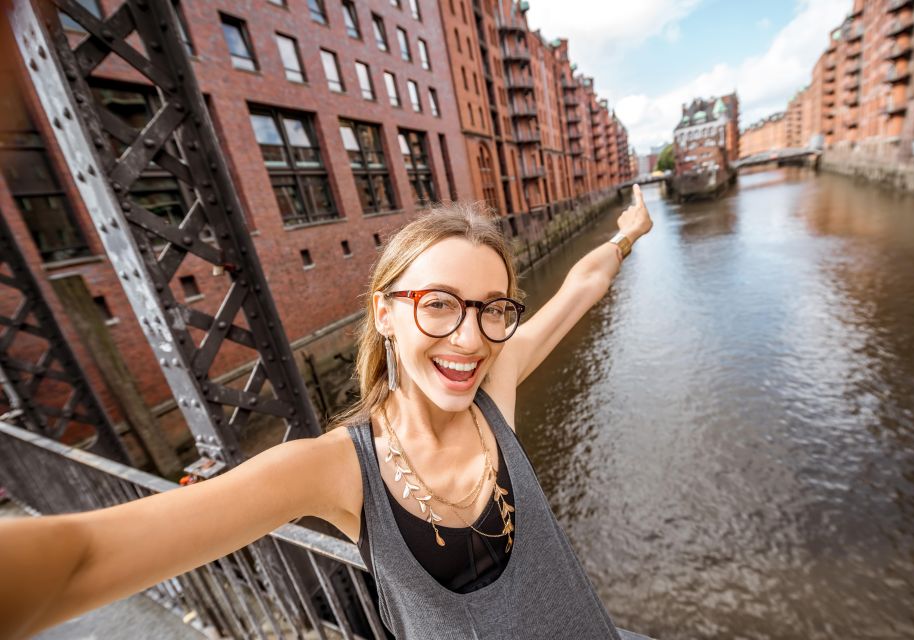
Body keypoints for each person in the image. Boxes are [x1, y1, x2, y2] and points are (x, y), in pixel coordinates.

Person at [0, 185, 652, 639]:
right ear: (384, 313)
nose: (470, 338)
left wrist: (626, 234)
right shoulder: (334, 469)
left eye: (492, 308)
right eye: (439, 304)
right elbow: (84, 556)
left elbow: (580, 288)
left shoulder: (495, 391)